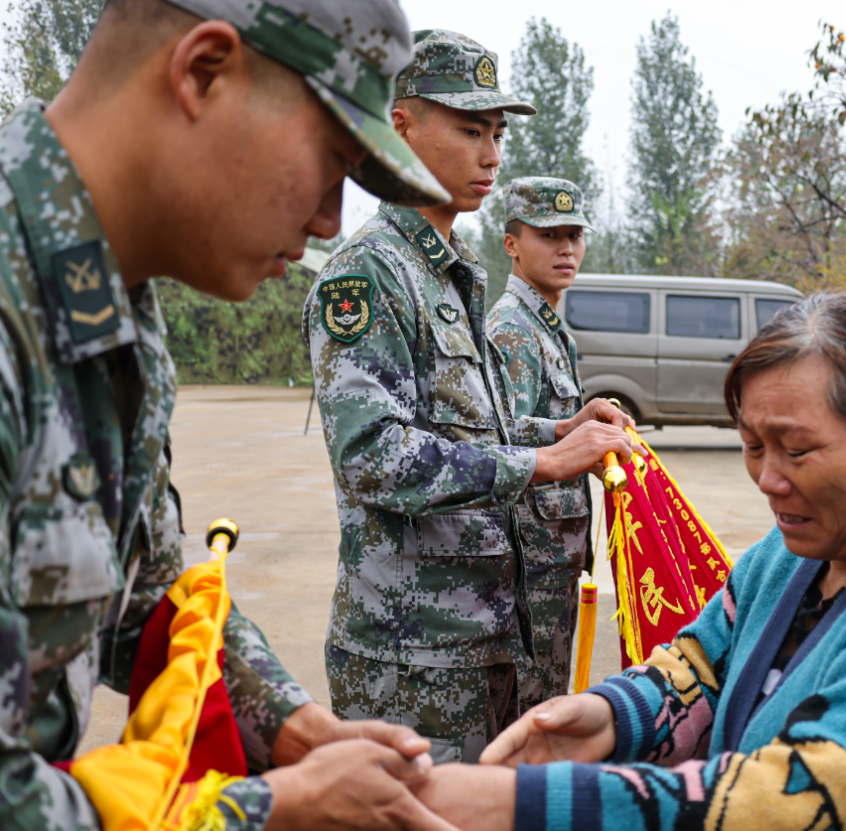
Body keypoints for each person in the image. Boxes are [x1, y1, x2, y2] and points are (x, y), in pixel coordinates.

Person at [0, 0, 463, 829]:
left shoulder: (106, 309)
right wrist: (266, 811)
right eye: (331, 162)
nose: (330, 219)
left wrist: (292, 727)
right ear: (203, 71)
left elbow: (139, 596)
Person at [412, 293, 846, 831]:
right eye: (752, 446)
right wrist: (610, 717)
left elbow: (779, 801)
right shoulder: (787, 558)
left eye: (797, 449)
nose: (768, 479)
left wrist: (515, 803)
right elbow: (701, 661)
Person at [303, 31, 635, 765]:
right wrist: (541, 465)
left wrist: (556, 427)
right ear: (403, 125)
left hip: (481, 642)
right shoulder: (369, 277)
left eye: (496, 133)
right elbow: (375, 455)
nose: (490, 155)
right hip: (410, 657)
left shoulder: (449, 274)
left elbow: (464, 424)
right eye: (468, 129)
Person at [486, 177, 596, 712]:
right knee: (531, 710)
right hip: (530, 564)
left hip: (554, 556)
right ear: (512, 244)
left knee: (547, 697)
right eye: (549, 235)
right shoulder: (511, 329)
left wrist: (578, 426)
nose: (566, 249)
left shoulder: (549, 328)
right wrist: (566, 434)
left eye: (575, 235)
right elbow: (496, 435)